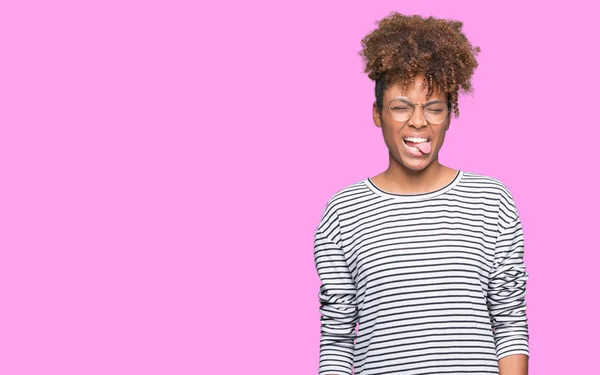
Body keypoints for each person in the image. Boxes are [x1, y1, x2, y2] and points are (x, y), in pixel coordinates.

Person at [313, 12, 530, 375]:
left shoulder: (492, 201)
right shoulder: (343, 211)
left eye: (434, 107)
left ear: (449, 114)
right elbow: (336, 339)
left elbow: (508, 320)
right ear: (377, 114)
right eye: (401, 107)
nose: (418, 121)